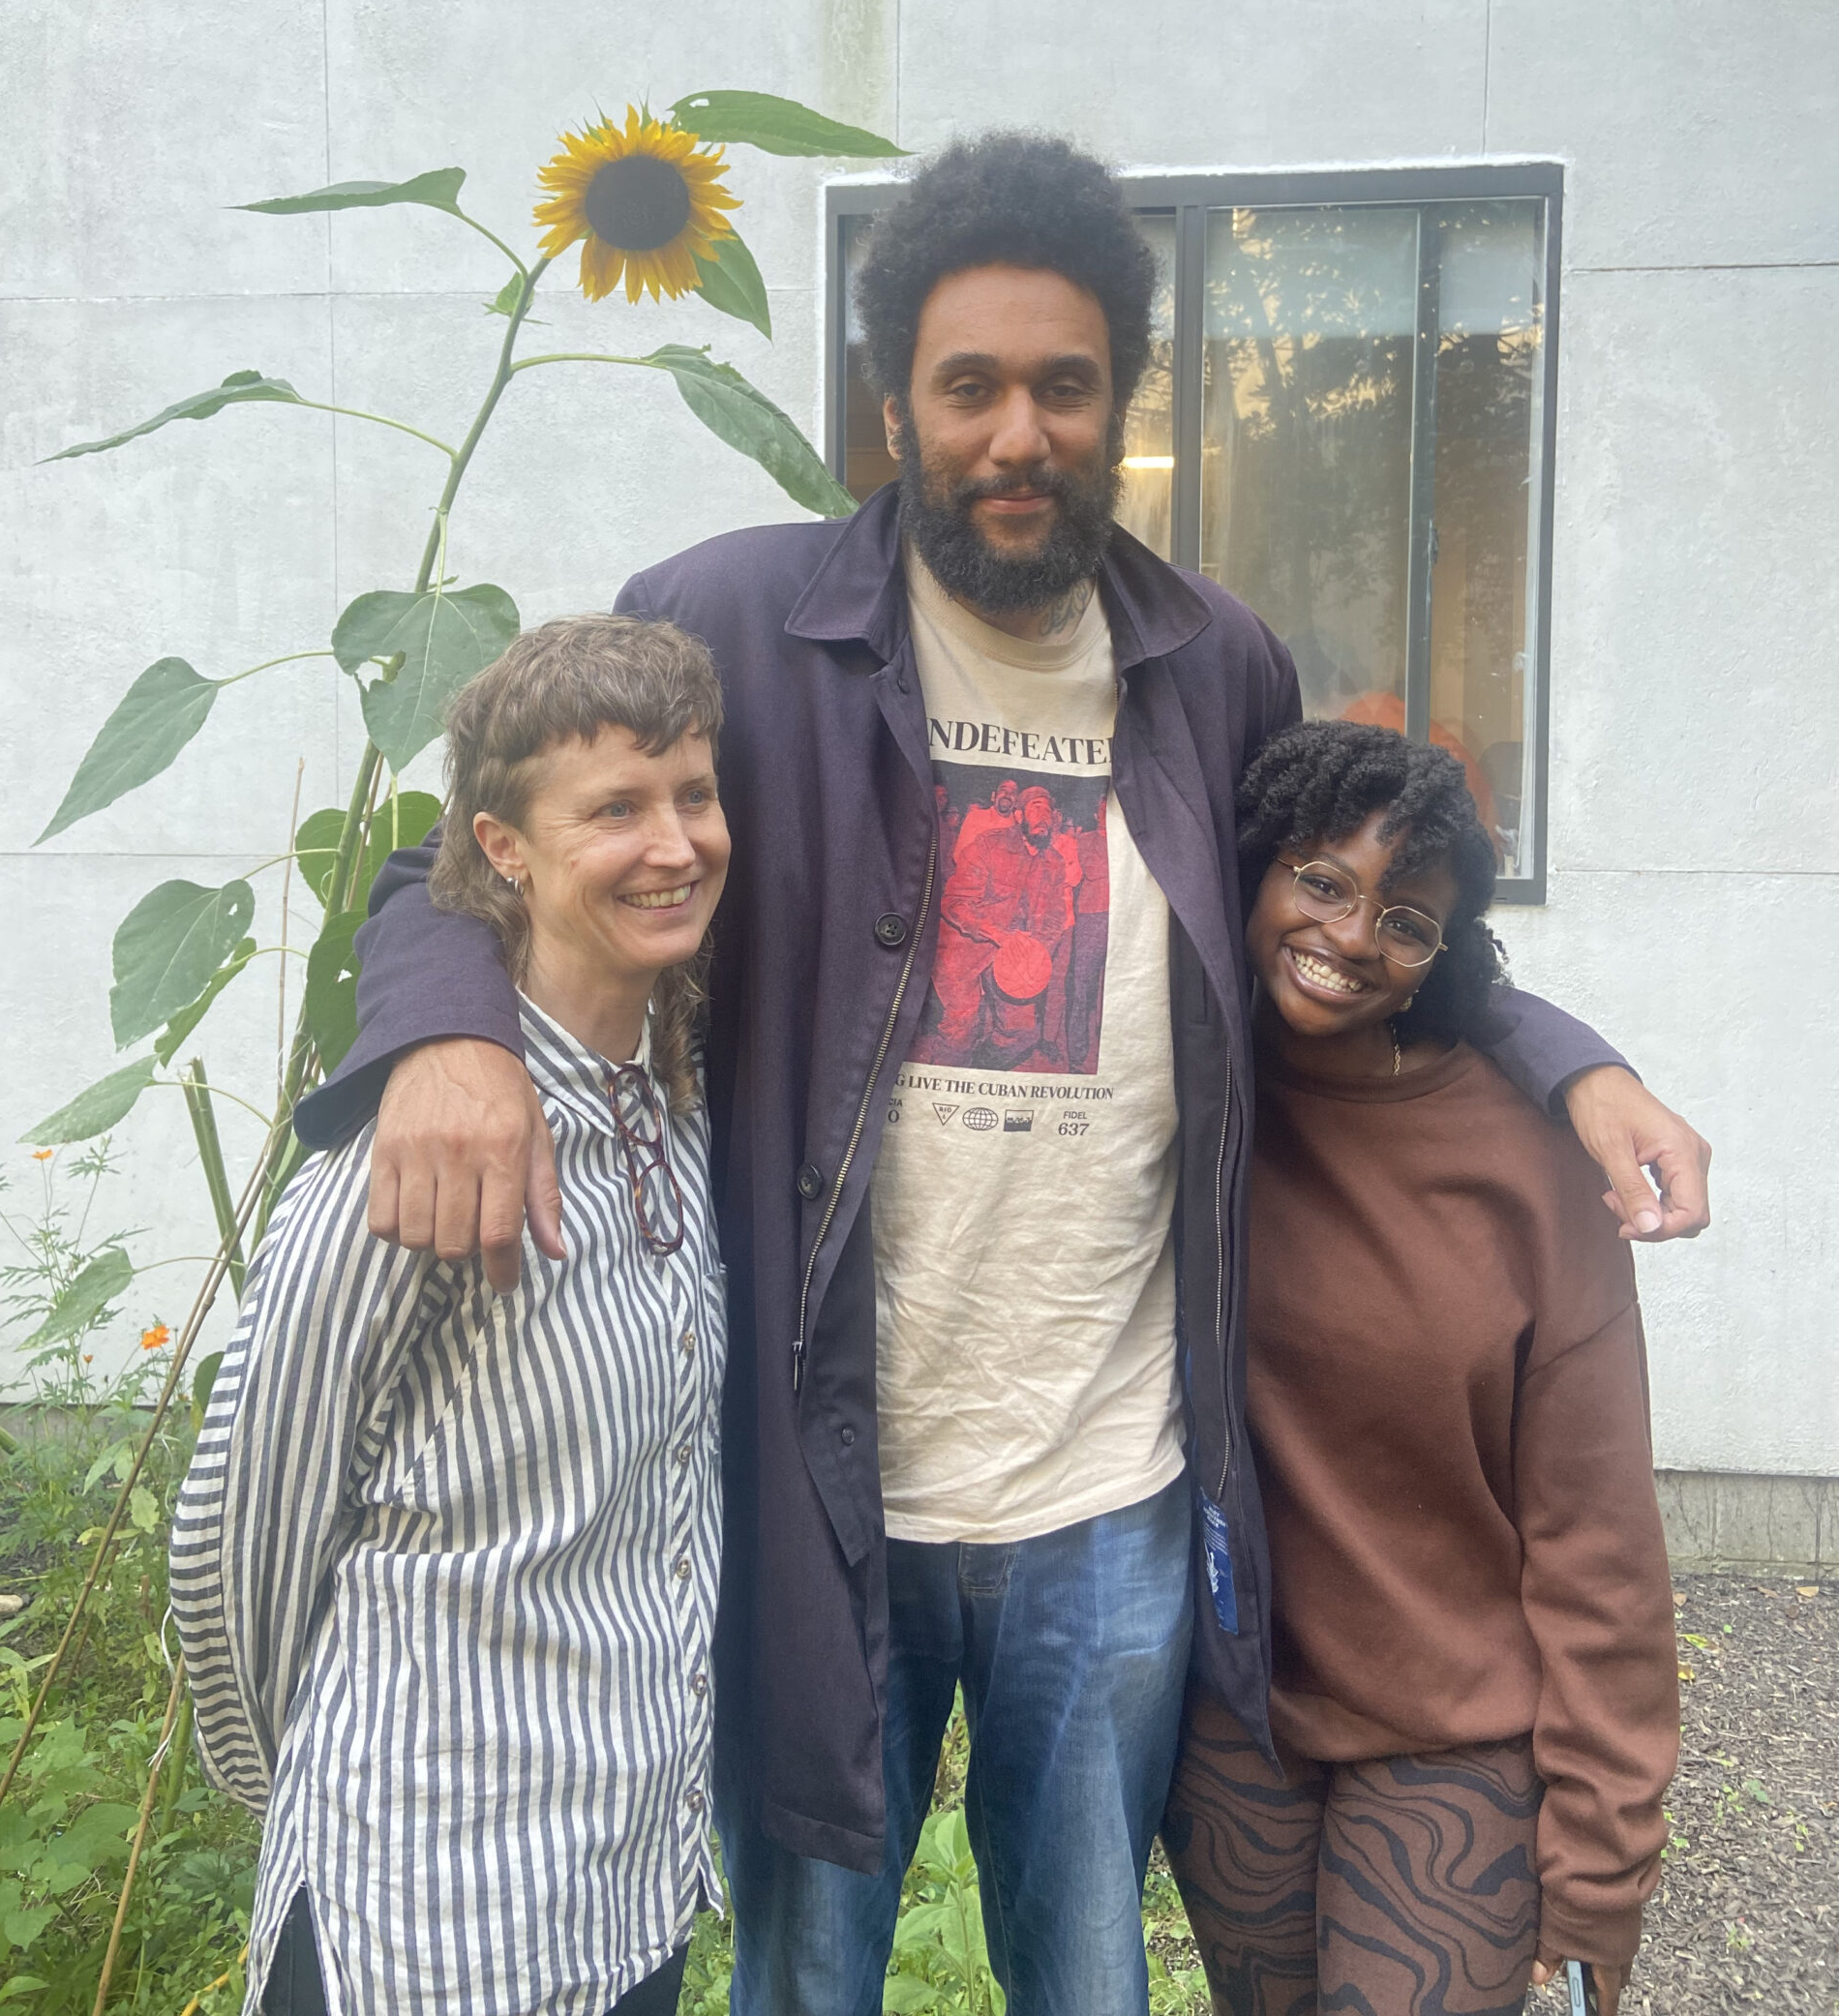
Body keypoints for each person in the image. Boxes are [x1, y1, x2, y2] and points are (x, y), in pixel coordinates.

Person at [292, 135, 1710, 2016]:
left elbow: (1361, 917)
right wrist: (449, 1025)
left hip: (1106, 1501)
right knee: (809, 1975)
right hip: (820, 1496)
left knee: (1086, 1976)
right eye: (969, 387)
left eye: (1064, 385)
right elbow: (466, 856)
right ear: (896, 406)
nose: (1018, 431)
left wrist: (1563, 1056)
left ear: (1123, 400)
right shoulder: (737, 627)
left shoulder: (1216, 666)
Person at [170, 617, 732, 2016]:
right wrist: (321, 1785)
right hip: (427, 1918)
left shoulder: (666, 1105)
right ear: (502, 848)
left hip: (624, 1893)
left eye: (696, 795)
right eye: (615, 808)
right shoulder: (417, 1153)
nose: (675, 844)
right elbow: (242, 1533)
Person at [1163, 721, 1678, 2016]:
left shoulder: (1527, 1161)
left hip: (1455, 1731)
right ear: (1255, 870)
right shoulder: (1191, 1085)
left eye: (1406, 919)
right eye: (1322, 882)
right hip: (1236, 1716)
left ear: (1447, 951)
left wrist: (1600, 1867)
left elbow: (1597, 1536)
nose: (1349, 937)